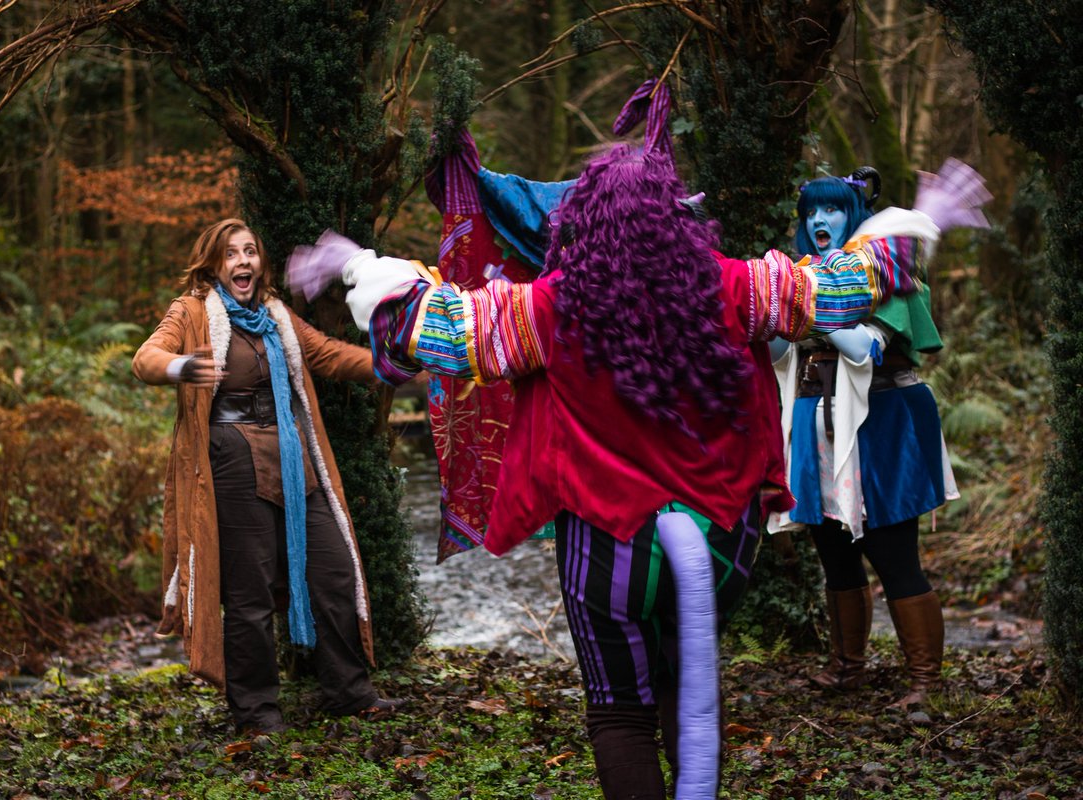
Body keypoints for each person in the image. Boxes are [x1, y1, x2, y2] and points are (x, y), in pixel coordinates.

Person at [288, 147, 988, 798]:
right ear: (677, 217)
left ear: (582, 224)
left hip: (608, 544)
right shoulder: (739, 287)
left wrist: (360, 266)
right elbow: (838, 285)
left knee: (621, 712)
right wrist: (918, 221)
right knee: (689, 684)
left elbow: (435, 327)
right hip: (718, 539)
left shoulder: (547, 307)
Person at [132, 218, 402, 735]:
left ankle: (349, 692)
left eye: (250, 251)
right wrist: (181, 367)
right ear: (214, 264)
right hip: (231, 461)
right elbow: (145, 358)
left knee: (333, 571)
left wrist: (394, 365)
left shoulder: (276, 315)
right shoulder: (191, 310)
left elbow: (328, 355)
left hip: (294, 459)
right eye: (232, 253)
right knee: (249, 590)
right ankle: (256, 712)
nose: (243, 261)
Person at [767, 167, 980, 709]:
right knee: (833, 551)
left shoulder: (887, 273)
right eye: (811, 211)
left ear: (854, 215)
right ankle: (847, 667)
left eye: (833, 209)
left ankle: (925, 682)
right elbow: (779, 353)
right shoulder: (801, 276)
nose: (820, 219)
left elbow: (864, 348)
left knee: (892, 553)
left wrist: (802, 307)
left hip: (880, 424)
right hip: (815, 423)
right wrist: (768, 310)